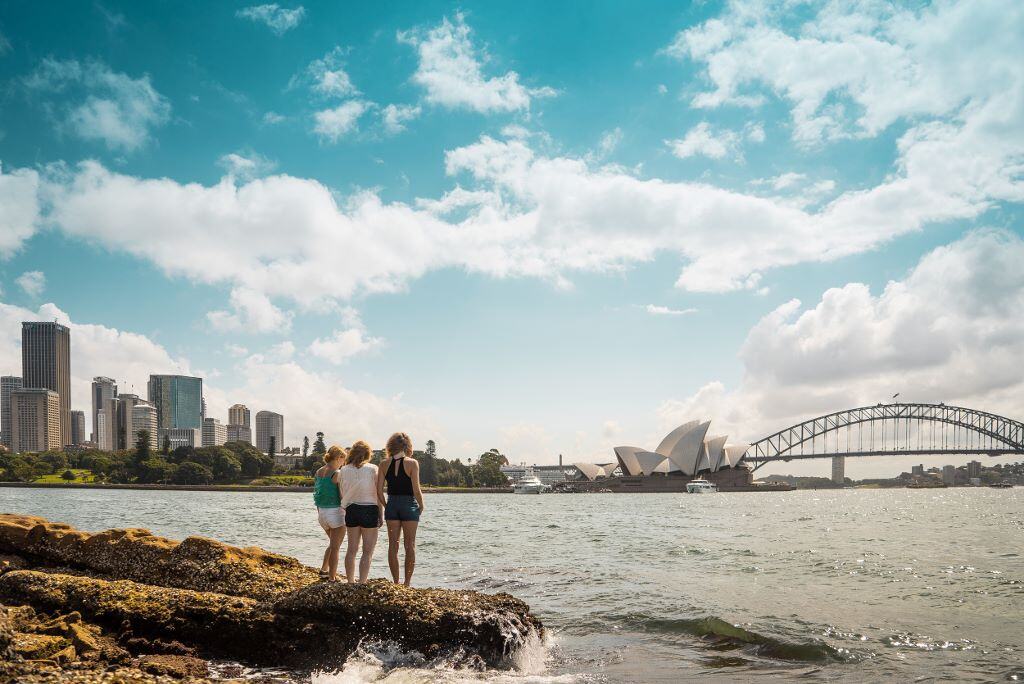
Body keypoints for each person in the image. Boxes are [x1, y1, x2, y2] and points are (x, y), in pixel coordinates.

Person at [377, 432, 424, 586]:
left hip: (392, 505)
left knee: (393, 545)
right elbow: (416, 490)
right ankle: (407, 583)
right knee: (410, 545)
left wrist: (386, 506)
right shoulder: (412, 463)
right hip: (409, 504)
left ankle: (396, 582)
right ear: (407, 446)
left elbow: (378, 491)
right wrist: (421, 505)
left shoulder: (384, 464)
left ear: (390, 446)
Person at [337, 440, 383, 584]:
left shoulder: (344, 470)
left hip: (351, 509)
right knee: (367, 551)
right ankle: (362, 582)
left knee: (351, 549)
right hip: (369, 508)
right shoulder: (373, 469)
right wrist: (380, 514)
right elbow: (378, 492)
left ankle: (350, 581)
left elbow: (342, 492)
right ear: (368, 454)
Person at [313, 445, 347, 581]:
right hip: (335, 513)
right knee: (335, 547)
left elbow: (317, 493)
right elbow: (342, 496)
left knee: (333, 544)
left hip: (322, 514)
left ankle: (324, 570)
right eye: (343, 460)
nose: (343, 463)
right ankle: (332, 578)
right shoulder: (337, 473)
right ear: (339, 458)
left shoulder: (318, 472)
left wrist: (321, 512)